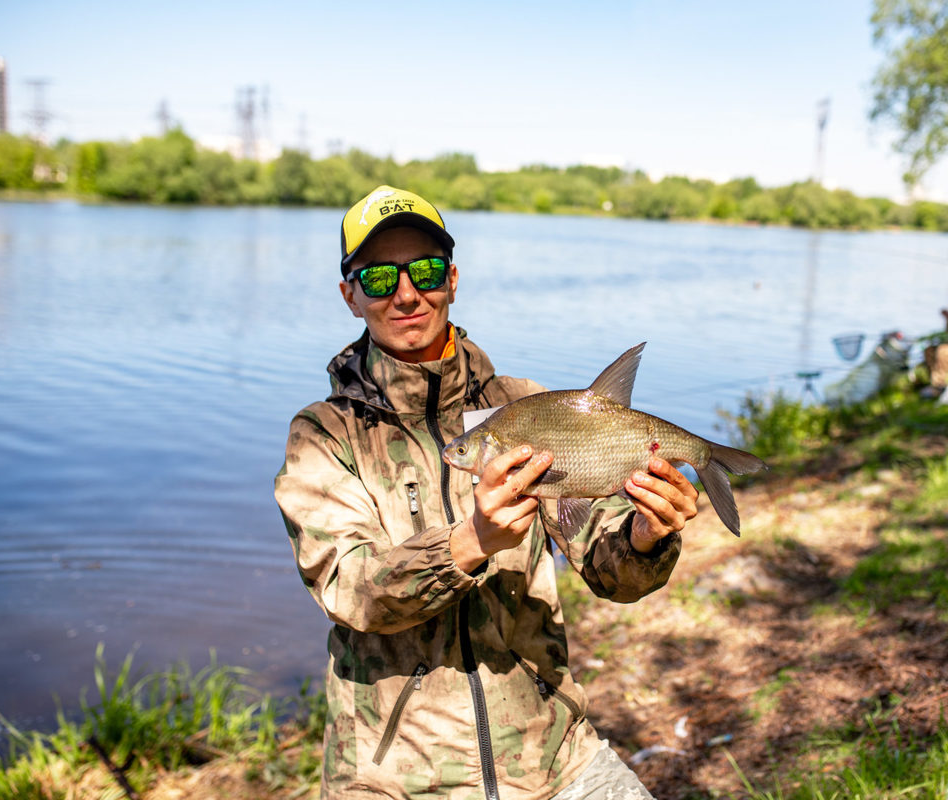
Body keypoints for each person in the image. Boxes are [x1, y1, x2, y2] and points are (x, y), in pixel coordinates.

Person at [274, 185, 700, 799]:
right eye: (377, 278)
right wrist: (470, 543)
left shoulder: (523, 406)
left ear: (450, 278)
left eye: (423, 270)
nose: (406, 293)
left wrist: (644, 536)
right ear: (350, 295)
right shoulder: (323, 435)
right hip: (393, 780)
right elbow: (351, 590)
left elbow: (614, 576)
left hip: (554, 757)